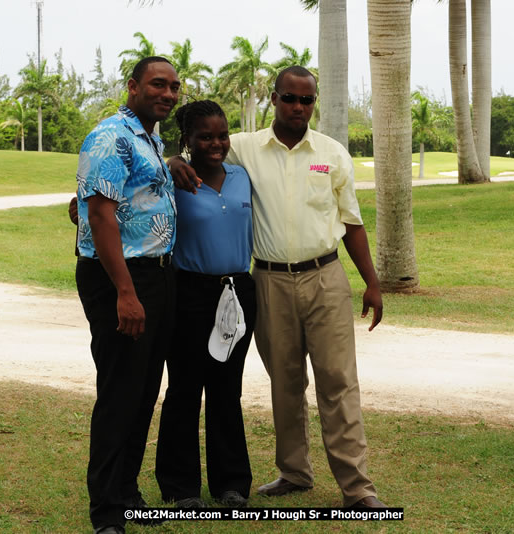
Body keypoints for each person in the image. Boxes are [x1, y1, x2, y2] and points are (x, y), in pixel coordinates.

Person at [170, 66, 386, 508]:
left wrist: (372, 284)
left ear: (314, 103)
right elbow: (198, 153)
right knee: (284, 382)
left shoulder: (332, 153)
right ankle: (294, 472)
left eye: (307, 100)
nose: (298, 107)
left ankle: (358, 488)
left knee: (338, 381)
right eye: (290, 98)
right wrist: (170, 161)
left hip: (325, 277)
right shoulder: (244, 148)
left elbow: (352, 223)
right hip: (266, 281)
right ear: (275, 99)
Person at [74, 56, 180, 534]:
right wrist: (125, 292)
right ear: (133, 86)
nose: (169, 94)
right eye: (158, 84)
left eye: (175, 87)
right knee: (120, 392)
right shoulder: (110, 136)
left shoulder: (149, 138)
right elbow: (98, 216)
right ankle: (107, 514)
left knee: (143, 390)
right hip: (120, 279)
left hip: (156, 275)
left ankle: (127, 491)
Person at [154, 100, 256, 508]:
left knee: (226, 390)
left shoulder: (242, 177)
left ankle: (231, 484)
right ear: (188, 141)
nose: (216, 144)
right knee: (184, 389)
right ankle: (180, 488)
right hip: (188, 291)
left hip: (238, 292)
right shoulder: (171, 177)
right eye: (205, 137)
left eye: (222, 135)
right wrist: (170, 160)